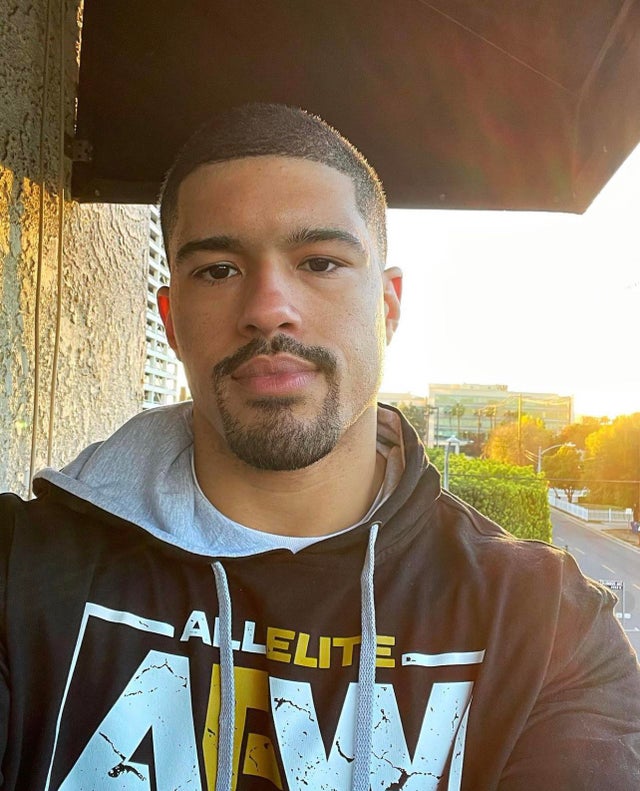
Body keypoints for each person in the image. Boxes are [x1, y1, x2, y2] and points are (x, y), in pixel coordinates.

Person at [0, 103, 638, 790]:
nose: (268, 308)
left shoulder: (545, 624)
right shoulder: (18, 570)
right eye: (217, 269)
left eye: (320, 262)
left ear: (388, 307)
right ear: (171, 322)